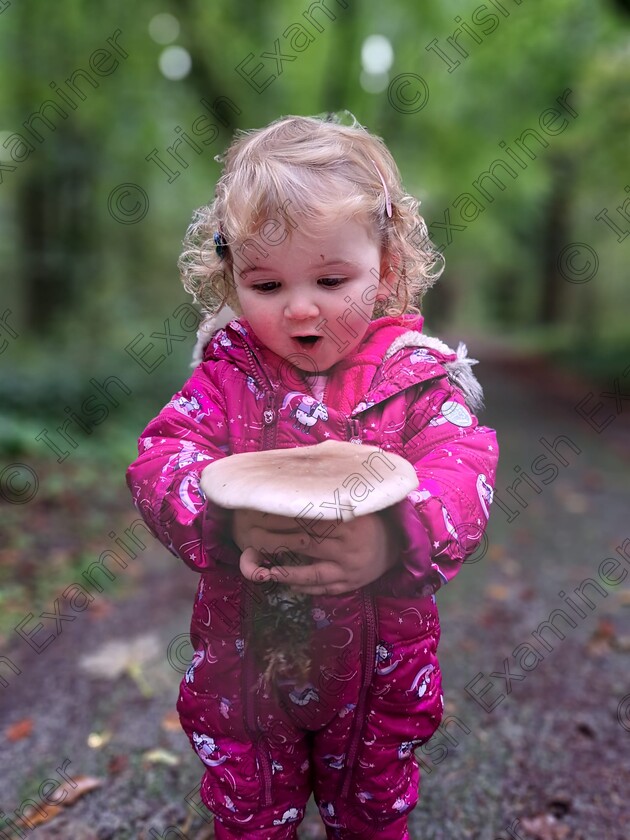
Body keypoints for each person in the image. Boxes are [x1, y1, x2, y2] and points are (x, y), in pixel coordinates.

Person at [126, 113, 499, 840]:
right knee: (247, 811)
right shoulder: (224, 378)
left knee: (372, 810)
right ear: (231, 279)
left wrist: (395, 537)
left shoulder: (417, 381)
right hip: (244, 673)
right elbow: (160, 456)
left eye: (332, 279)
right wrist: (221, 516)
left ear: (385, 268)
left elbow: (465, 471)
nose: (300, 308)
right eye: (266, 284)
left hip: (379, 675)